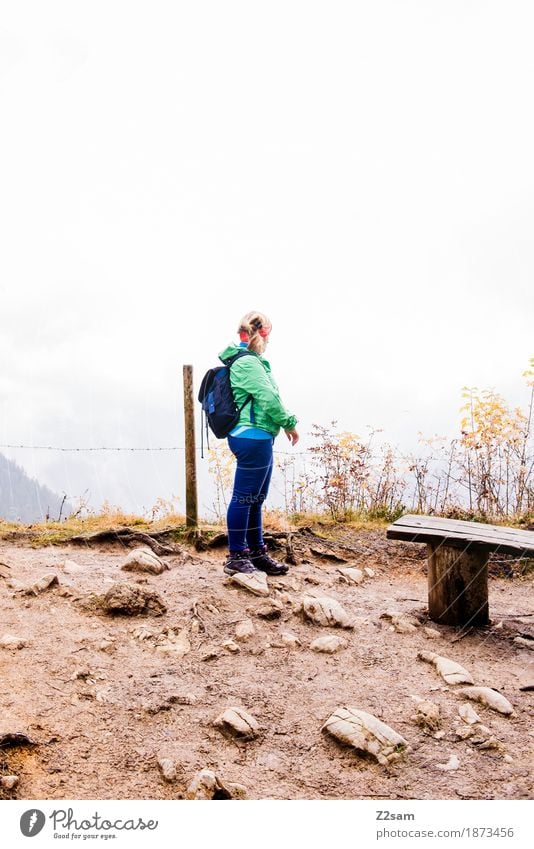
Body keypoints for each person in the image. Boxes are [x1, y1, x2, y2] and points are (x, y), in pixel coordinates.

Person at [218, 311, 299, 577]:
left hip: (259, 435)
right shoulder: (248, 363)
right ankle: (236, 556)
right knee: (245, 498)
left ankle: (256, 552)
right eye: (269, 334)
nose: (270, 340)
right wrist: (288, 422)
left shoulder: (250, 361)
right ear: (260, 333)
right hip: (251, 436)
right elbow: (267, 397)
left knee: (255, 498)